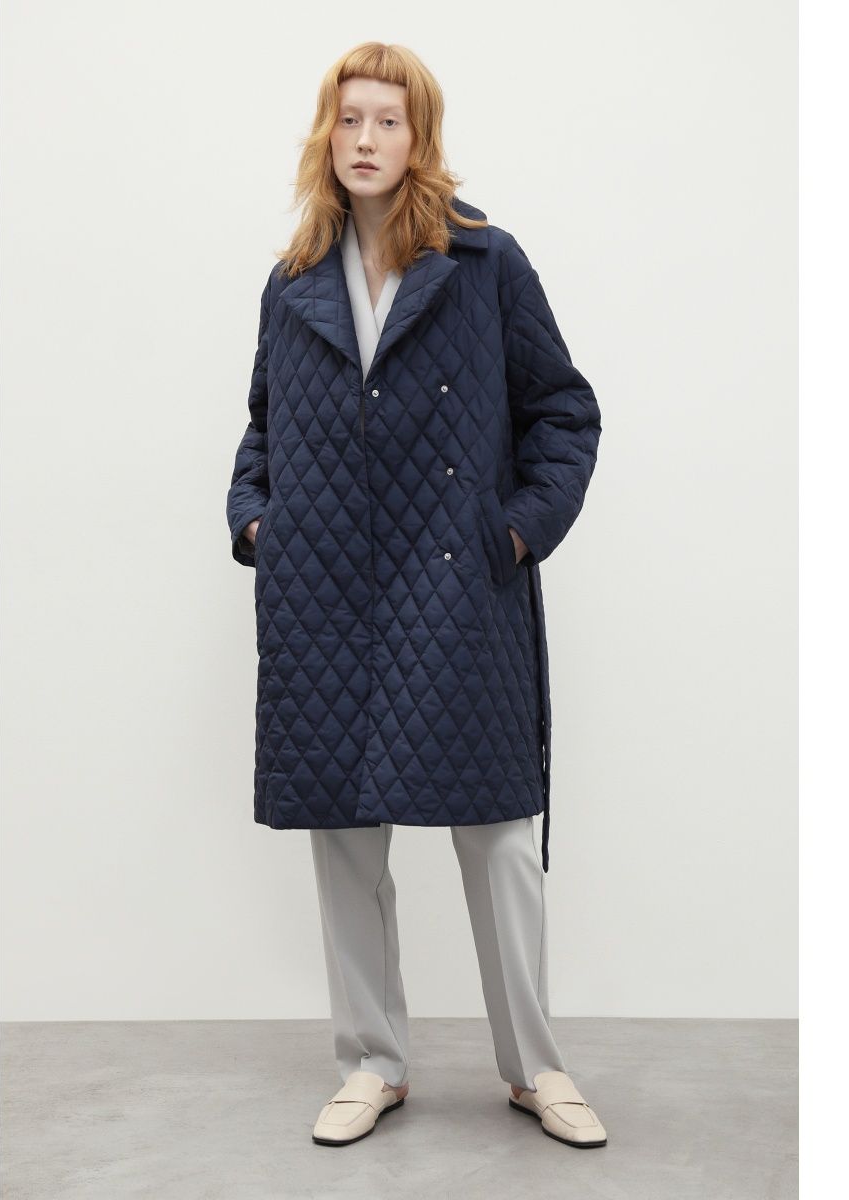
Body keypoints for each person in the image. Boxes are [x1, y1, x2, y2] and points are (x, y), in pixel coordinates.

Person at [225, 42, 606, 1149]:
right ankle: (371, 1063)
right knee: (345, 834)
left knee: (497, 833)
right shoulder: (294, 278)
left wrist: (517, 533)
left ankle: (536, 1065)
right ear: (327, 133)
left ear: (419, 137)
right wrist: (258, 524)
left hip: (456, 590)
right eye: (349, 119)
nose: (365, 139)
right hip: (325, 594)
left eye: (387, 120)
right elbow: (262, 429)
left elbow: (565, 414)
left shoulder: (486, 262)